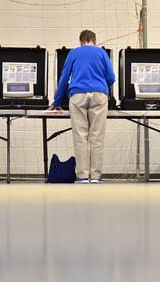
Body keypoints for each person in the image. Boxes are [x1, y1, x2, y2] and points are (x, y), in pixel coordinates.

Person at [48, 30, 115, 184]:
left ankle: (83, 176)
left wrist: (57, 101)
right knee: (97, 137)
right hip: (99, 95)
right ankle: (96, 176)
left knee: (80, 136)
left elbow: (64, 78)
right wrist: (102, 86)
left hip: (77, 95)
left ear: (80, 41)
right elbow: (111, 77)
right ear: (95, 40)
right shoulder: (101, 53)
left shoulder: (74, 53)